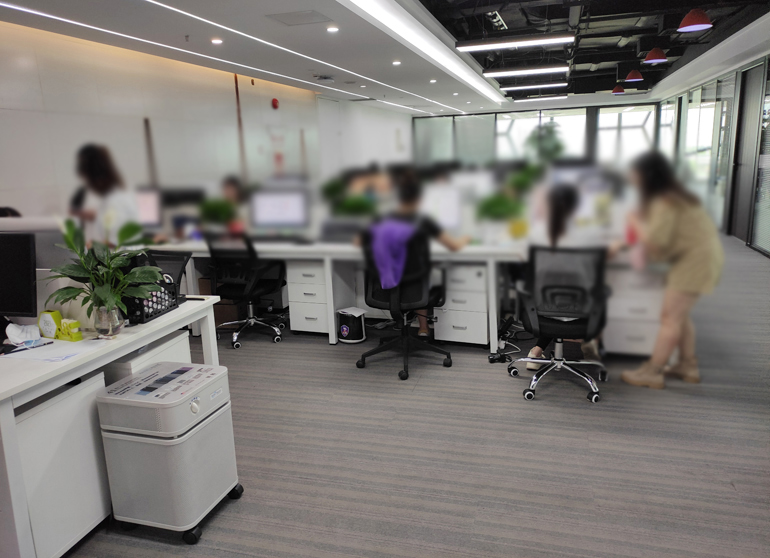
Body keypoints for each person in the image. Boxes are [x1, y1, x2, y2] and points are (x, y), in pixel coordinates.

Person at [620, 151, 724, 389]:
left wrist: (634, 220)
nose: (630, 177)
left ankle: (653, 372)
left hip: (694, 261)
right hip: (701, 257)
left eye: (634, 172)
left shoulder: (664, 200)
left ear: (646, 175)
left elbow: (656, 243)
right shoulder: (672, 195)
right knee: (681, 315)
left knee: (669, 318)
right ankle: (687, 365)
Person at [359, 174, 470, 336]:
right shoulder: (423, 221)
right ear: (419, 200)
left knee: (415, 272)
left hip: (384, 287)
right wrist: (466, 238)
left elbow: (361, 242)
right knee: (422, 274)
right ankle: (423, 327)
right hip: (414, 285)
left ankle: (410, 322)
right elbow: (453, 246)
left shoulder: (380, 220)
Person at [524, 184, 603, 369]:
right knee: (593, 287)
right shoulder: (589, 234)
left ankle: (536, 351)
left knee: (552, 294)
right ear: (576, 207)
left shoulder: (536, 232)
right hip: (581, 312)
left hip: (542, 312)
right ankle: (591, 342)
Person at [71, 144, 138, 245]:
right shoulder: (109, 198)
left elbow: (121, 240)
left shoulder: (117, 199)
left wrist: (96, 245)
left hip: (121, 251)